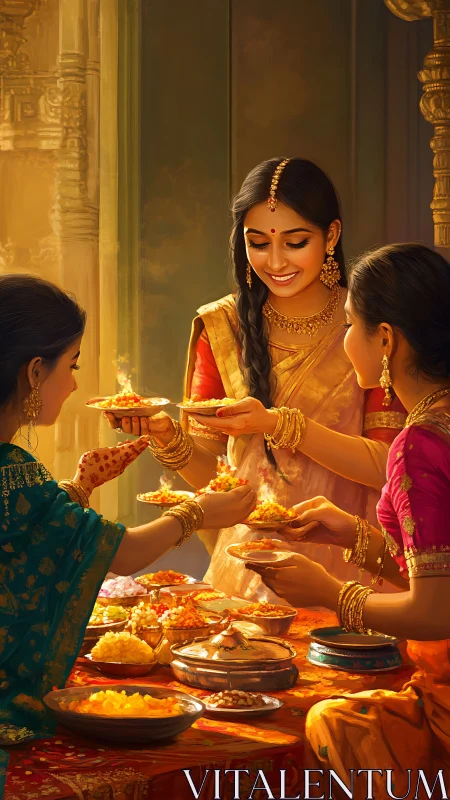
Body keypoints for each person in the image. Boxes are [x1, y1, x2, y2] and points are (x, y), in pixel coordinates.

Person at [106, 157, 405, 599]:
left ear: (332, 236)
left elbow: (390, 467)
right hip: (246, 572)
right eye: (258, 243)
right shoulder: (223, 329)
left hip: (350, 565)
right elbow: (221, 482)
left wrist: (281, 425)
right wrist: (166, 437)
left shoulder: (368, 326)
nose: (276, 261)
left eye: (295, 241)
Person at [0, 274, 255, 741]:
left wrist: (81, 486)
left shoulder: (16, 472)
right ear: (35, 372)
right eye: (71, 366)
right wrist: (198, 511)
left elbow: (24, 535)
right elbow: (121, 553)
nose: (74, 385)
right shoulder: (13, 469)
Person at [250, 243, 450, 795]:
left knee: (328, 721)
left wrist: (331, 593)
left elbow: (437, 609)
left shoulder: (419, 442)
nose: (343, 341)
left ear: (385, 339)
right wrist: (355, 536)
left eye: (349, 325)